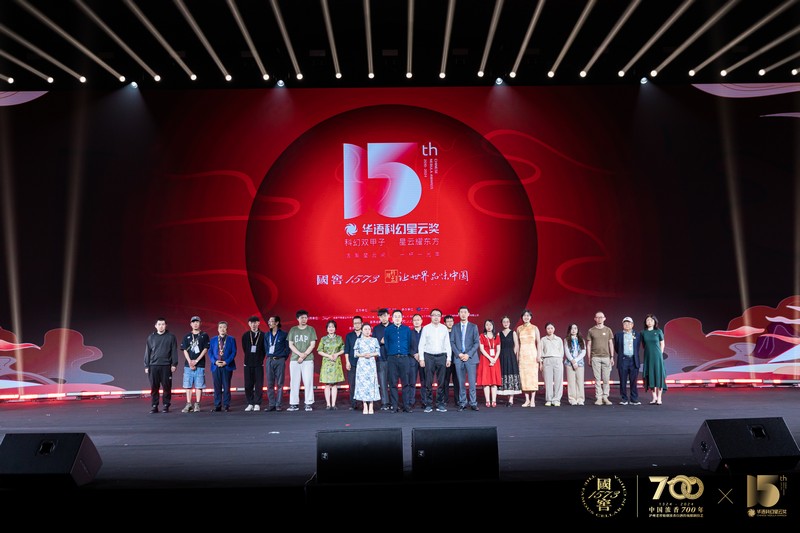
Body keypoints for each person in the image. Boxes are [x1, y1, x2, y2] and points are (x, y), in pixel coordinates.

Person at [417, 308, 452, 413]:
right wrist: (421, 358)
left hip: (442, 356)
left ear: (440, 317)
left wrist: (449, 358)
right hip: (429, 356)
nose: (436, 317)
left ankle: (440, 403)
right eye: (434, 315)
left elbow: (447, 344)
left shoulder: (444, 328)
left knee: (441, 382)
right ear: (431, 316)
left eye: (438, 315)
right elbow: (421, 344)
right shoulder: (426, 328)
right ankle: (428, 404)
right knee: (428, 381)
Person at [144, 317, 178, 413]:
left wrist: (174, 364)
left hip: (166, 365)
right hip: (153, 366)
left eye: (163, 324)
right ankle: (154, 405)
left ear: (165, 325)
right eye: (159, 324)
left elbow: (174, 351)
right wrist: (146, 365)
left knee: (166, 386)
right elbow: (147, 352)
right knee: (154, 386)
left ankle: (166, 405)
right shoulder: (151, 337)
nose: (161, 326)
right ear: (155, 326)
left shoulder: (171, 337)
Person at [450, 306, 480, 411]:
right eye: (461, 312)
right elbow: (452, 342)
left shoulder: (473, 327)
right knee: (461, 382)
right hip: (458, 358)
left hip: (470, 358)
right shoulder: (455, 327)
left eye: (465, 312)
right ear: (458, 314)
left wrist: (468, 354)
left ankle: (473, 403)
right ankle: (462, 403)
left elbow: (476, 342)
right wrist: (459, 354)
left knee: (472, 382)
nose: (463, 314)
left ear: (468, 314)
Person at [384, 310, 414, 412]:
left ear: (402, 318)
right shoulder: (388, 330)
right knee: (393, 383)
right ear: (392, 318)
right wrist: (392, 353)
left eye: (399, 316)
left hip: (404, 358)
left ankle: (406, 406)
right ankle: (395, 406)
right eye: (395, 316)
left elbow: (409, 343)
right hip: (392, 358)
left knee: (406, 383)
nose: (397, 318)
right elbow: (386, 344)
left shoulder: (407, 329)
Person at [287, 309, 317, 411]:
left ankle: (308, 403)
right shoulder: (293, 330)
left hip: (308, 359)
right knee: (294, 382)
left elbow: (312, 344)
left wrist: (304, 355)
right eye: (302, 318)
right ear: (297, 319)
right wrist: (300, 354)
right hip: (295, 359)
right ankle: (294, 403)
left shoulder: (311, 329)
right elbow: (290, 344)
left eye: (305, 317)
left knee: (308, 381)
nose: (304, 319)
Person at [179, 316, 209, 413]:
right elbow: (184, 350)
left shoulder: (204, 335)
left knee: (199, 385)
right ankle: (188, 404)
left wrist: (196, 361)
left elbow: (205, 349)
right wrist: (189, 361)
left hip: (200, 364)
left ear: (200, 323)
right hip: (188, 365)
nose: (195, 324)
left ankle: (197, 404)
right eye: (193, 322)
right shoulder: (186, 336)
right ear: (191, 324)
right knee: (188, 385)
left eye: (197, 322)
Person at [586, 311, 615, 406]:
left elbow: (610, 344)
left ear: (604, 318)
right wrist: (589, 357)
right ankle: (598, 397)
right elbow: (588, 345)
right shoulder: (591, 330)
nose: (599, 319)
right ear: (595, 319)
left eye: (601, 317)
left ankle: (605, 397)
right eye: (597, 317)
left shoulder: (608, 330)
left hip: (606, 357)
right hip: (595, 357)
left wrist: (612, 357)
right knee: (597, 379)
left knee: (606, 379)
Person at [353, 323, 381, 414]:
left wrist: (370, 354)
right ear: (362, 330)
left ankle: (371, 405)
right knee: (363, 385)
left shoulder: (374, 340)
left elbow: (378, 352)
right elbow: (355, 353)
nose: (367, 331)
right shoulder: (358, 340)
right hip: (362, 364)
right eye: (365, 329)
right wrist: (363, 355)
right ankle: (365, 405)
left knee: (371, 383)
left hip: (371, 364)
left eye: (369, 329)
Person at [209, 321, 237, 412]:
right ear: (218, 329)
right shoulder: (213, 339)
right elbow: (210, 352)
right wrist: (215, 361)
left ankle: (226, 405)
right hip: (216, 366)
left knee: (226, 386)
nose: (222, 329)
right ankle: (217, 405)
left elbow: (234, 352)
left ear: (226, 329)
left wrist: (226, 362)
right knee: (217, 386)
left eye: (224, 327)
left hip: (227, 366)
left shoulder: (231, 339)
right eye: (220, 327)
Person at [241, 315, 267, 411]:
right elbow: (245, 348)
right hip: (247, 363)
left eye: (255, 323)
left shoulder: (263, 335)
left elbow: (264, 350)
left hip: (258, 364)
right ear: (249, 324)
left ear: (258, 323)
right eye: (252, 323)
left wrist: (260, 359)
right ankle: (250, 403)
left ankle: (257, 403)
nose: (253, 325)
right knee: (248, 385)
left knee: (259, 384)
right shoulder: (245, 335)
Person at [318, 319, 345, 410]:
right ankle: (328, 404)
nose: (331, 328)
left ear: (335, 328)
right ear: (327, 329)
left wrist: (337, 354)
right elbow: (319, 351)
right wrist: (328, 356)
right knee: (327, 384)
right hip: (327, 363)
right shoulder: (323, 339)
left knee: (334, 384)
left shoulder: (339, 338)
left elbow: (343, 349)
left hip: (336, 362)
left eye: (333, 327)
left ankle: (333, 404)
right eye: (329, 327)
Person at [614, 317, 641, 406]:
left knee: (634, 381)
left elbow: (637, 347)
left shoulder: (637, 334)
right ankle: (624, 399)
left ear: (632, 325)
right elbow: (617, 348)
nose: (627, 325)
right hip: (623, 360)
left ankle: (634, 399)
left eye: (629, 323)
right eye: (625, 323)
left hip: (633, 360)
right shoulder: (618, 335)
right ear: (623, 325)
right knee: (623, 381)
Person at [640, 313, 667, 405]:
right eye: (647, 320)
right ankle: (654, 397)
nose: (649, 322)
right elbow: (644, 345)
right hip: (648, 357)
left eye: (651, 320)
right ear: (645, 322)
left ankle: (659, 398)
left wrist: (660, 354)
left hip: (657, 357)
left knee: (658, 376)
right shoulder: (643, 332)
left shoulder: (658, 331)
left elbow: (662, 343)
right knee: (650, 375)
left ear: (655, 322)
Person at [264, 315, 289, 411]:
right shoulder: (267, 335)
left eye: (271, 321)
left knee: (280, 383)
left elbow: (287, 348)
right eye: (269, 321)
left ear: (277, 322)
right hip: (270, 360)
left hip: (280, 360)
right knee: (270, 383)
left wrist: (283, 358)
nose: (269, 323)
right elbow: (266, 347)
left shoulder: (284, 334)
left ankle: (278, 404)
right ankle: (271, 404)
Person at [516, 309, 540, 407]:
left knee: (533, 377)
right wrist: (517, 356)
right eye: (524, 315)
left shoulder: (535, 328)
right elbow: (517, 344)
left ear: (530, 317)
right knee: (524, 377)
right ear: (522, 317)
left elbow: (538, 342)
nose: (526, 317)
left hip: (532, 355)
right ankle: (527, 400)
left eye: (528, 315)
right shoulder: (519, 329)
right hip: (523, 355)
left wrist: (539, 355)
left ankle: (533, 399)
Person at [477, 319, 502, 407]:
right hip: (485, 359)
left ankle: (494, 401)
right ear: (485, 326)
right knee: (486, 381)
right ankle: (487, 400)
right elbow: (482, 349)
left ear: (493, 326)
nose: (488, 327)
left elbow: (498, 349)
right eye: (487, 325)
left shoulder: (497, 336)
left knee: (494, 381)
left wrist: (494, 359)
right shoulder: (482, 336)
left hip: (495, 360)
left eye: (490, 325)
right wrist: (490, 358)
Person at [497, 315, 521, 405]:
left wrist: (513, 356)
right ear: (502, 323)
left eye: (507, 322)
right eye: (504, 322)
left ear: (510, 323)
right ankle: (507, 396)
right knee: (504, 375)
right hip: (502, 356)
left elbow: (516, 345)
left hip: (511, 356)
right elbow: (498, 346)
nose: (506, 323)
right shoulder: (499, 334)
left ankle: (511, 399)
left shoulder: (513, 333)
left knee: (511, 375)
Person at [539, 322, 564, 407]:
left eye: (551, 328)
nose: (550, 330)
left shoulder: (559, 339)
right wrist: (541, 362)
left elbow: (561, 351)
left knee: (558, 380)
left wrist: (560, 360)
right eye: (548, 328)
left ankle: (556, 399)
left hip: (557, 359)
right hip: (547, 360)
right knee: (548, 381)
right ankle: (549, 399)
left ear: (554, 329)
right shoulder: (543, 339)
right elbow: (541, 351)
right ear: (546, 330)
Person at [372, 308, 392, 411]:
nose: (383, 318)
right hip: (381, 359)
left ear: (388, 315)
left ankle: (393, 402)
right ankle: (385, 403)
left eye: (385, 315)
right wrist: (381, 342)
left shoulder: (393, 327)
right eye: (381, 316)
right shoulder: (376, 329)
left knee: (393, 382)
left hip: (393, 359)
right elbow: (373, 344)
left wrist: (387, 341)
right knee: (383, 382)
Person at [563, 323, 587, 405]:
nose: (573, 330)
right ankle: (572, 399)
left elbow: (583, 352)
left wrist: (576, 361)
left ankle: (580, 399)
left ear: (577, 330)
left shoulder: (582, 340)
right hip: (569, 363)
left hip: (580, 363)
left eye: (575, 328)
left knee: (580, 382)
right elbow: (567, 352)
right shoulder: (566, 340)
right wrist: (573, 361)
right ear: (569, 330)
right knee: (571, 382)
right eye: (572, 328)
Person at [343, 315, 363, 410]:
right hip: (352, 362)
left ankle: (363, 403)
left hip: (363, 363)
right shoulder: (349, 336)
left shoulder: (365, 335)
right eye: (355, 323)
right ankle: (353, 403)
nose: (357, 325)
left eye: (358, 323)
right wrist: (347, 362)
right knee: (352, 384)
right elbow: (346, 350)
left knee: (363, 383)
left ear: (362, 324)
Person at [442, 314, 461, 406]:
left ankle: (457, 400)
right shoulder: (442, 333)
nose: (450, 323)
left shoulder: (457, 332)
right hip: (446, 360)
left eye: (451, 321)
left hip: (456, 359)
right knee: (445, 380)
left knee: (456, 380)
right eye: (448, 321)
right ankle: (445, 400)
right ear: (444, 323)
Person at [408, 313, 425, 409]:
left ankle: (425, 401)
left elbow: (428, 344)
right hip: (412, 359)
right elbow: (407, 346)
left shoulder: (426, 332)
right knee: (412, 381)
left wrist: (421, 355)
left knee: (424, 381)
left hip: (424, 359)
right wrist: (414, 354)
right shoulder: (409, 333)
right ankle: (411, 401)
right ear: (412, 322)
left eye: (418, 319)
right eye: (415, 320)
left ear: (421, 321)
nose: (416, 321)